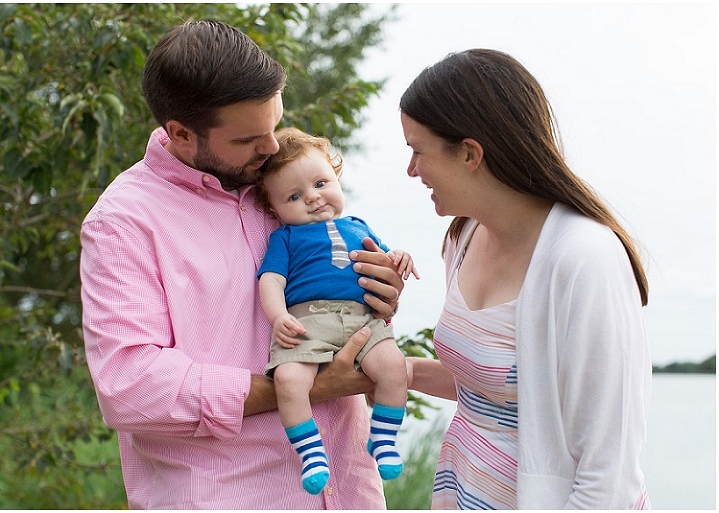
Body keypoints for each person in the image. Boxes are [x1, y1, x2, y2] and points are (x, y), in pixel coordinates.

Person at [79, 20, 405, 509]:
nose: (272, 148)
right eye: (249, 138)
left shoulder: (281, 186)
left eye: (273, 125)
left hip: (351, 491)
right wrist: (298, 388)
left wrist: (378, 293)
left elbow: (335, 294)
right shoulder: (123, 222)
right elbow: (129, 385)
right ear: (181, 134)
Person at [399, 49, 652, 509]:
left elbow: (609, 478)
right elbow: (502, 393)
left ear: (470, 153)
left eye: (418, 150)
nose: (411, 169)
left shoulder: (585, 258)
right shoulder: (463, 236)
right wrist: (406, 371)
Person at [255, 127, 418, 494]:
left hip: (360, 318)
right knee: (288, 380)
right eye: (294, 196)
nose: (312, 198)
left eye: (321, 183)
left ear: (336, 176)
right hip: (308, 320)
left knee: (393, 367)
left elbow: (384, 260)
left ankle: (384, 437)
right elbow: (271, 280)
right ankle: (311, 452)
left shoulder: (357, 226)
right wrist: (278, 316)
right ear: (274, 209)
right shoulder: (285, 237)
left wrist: (399, 258)